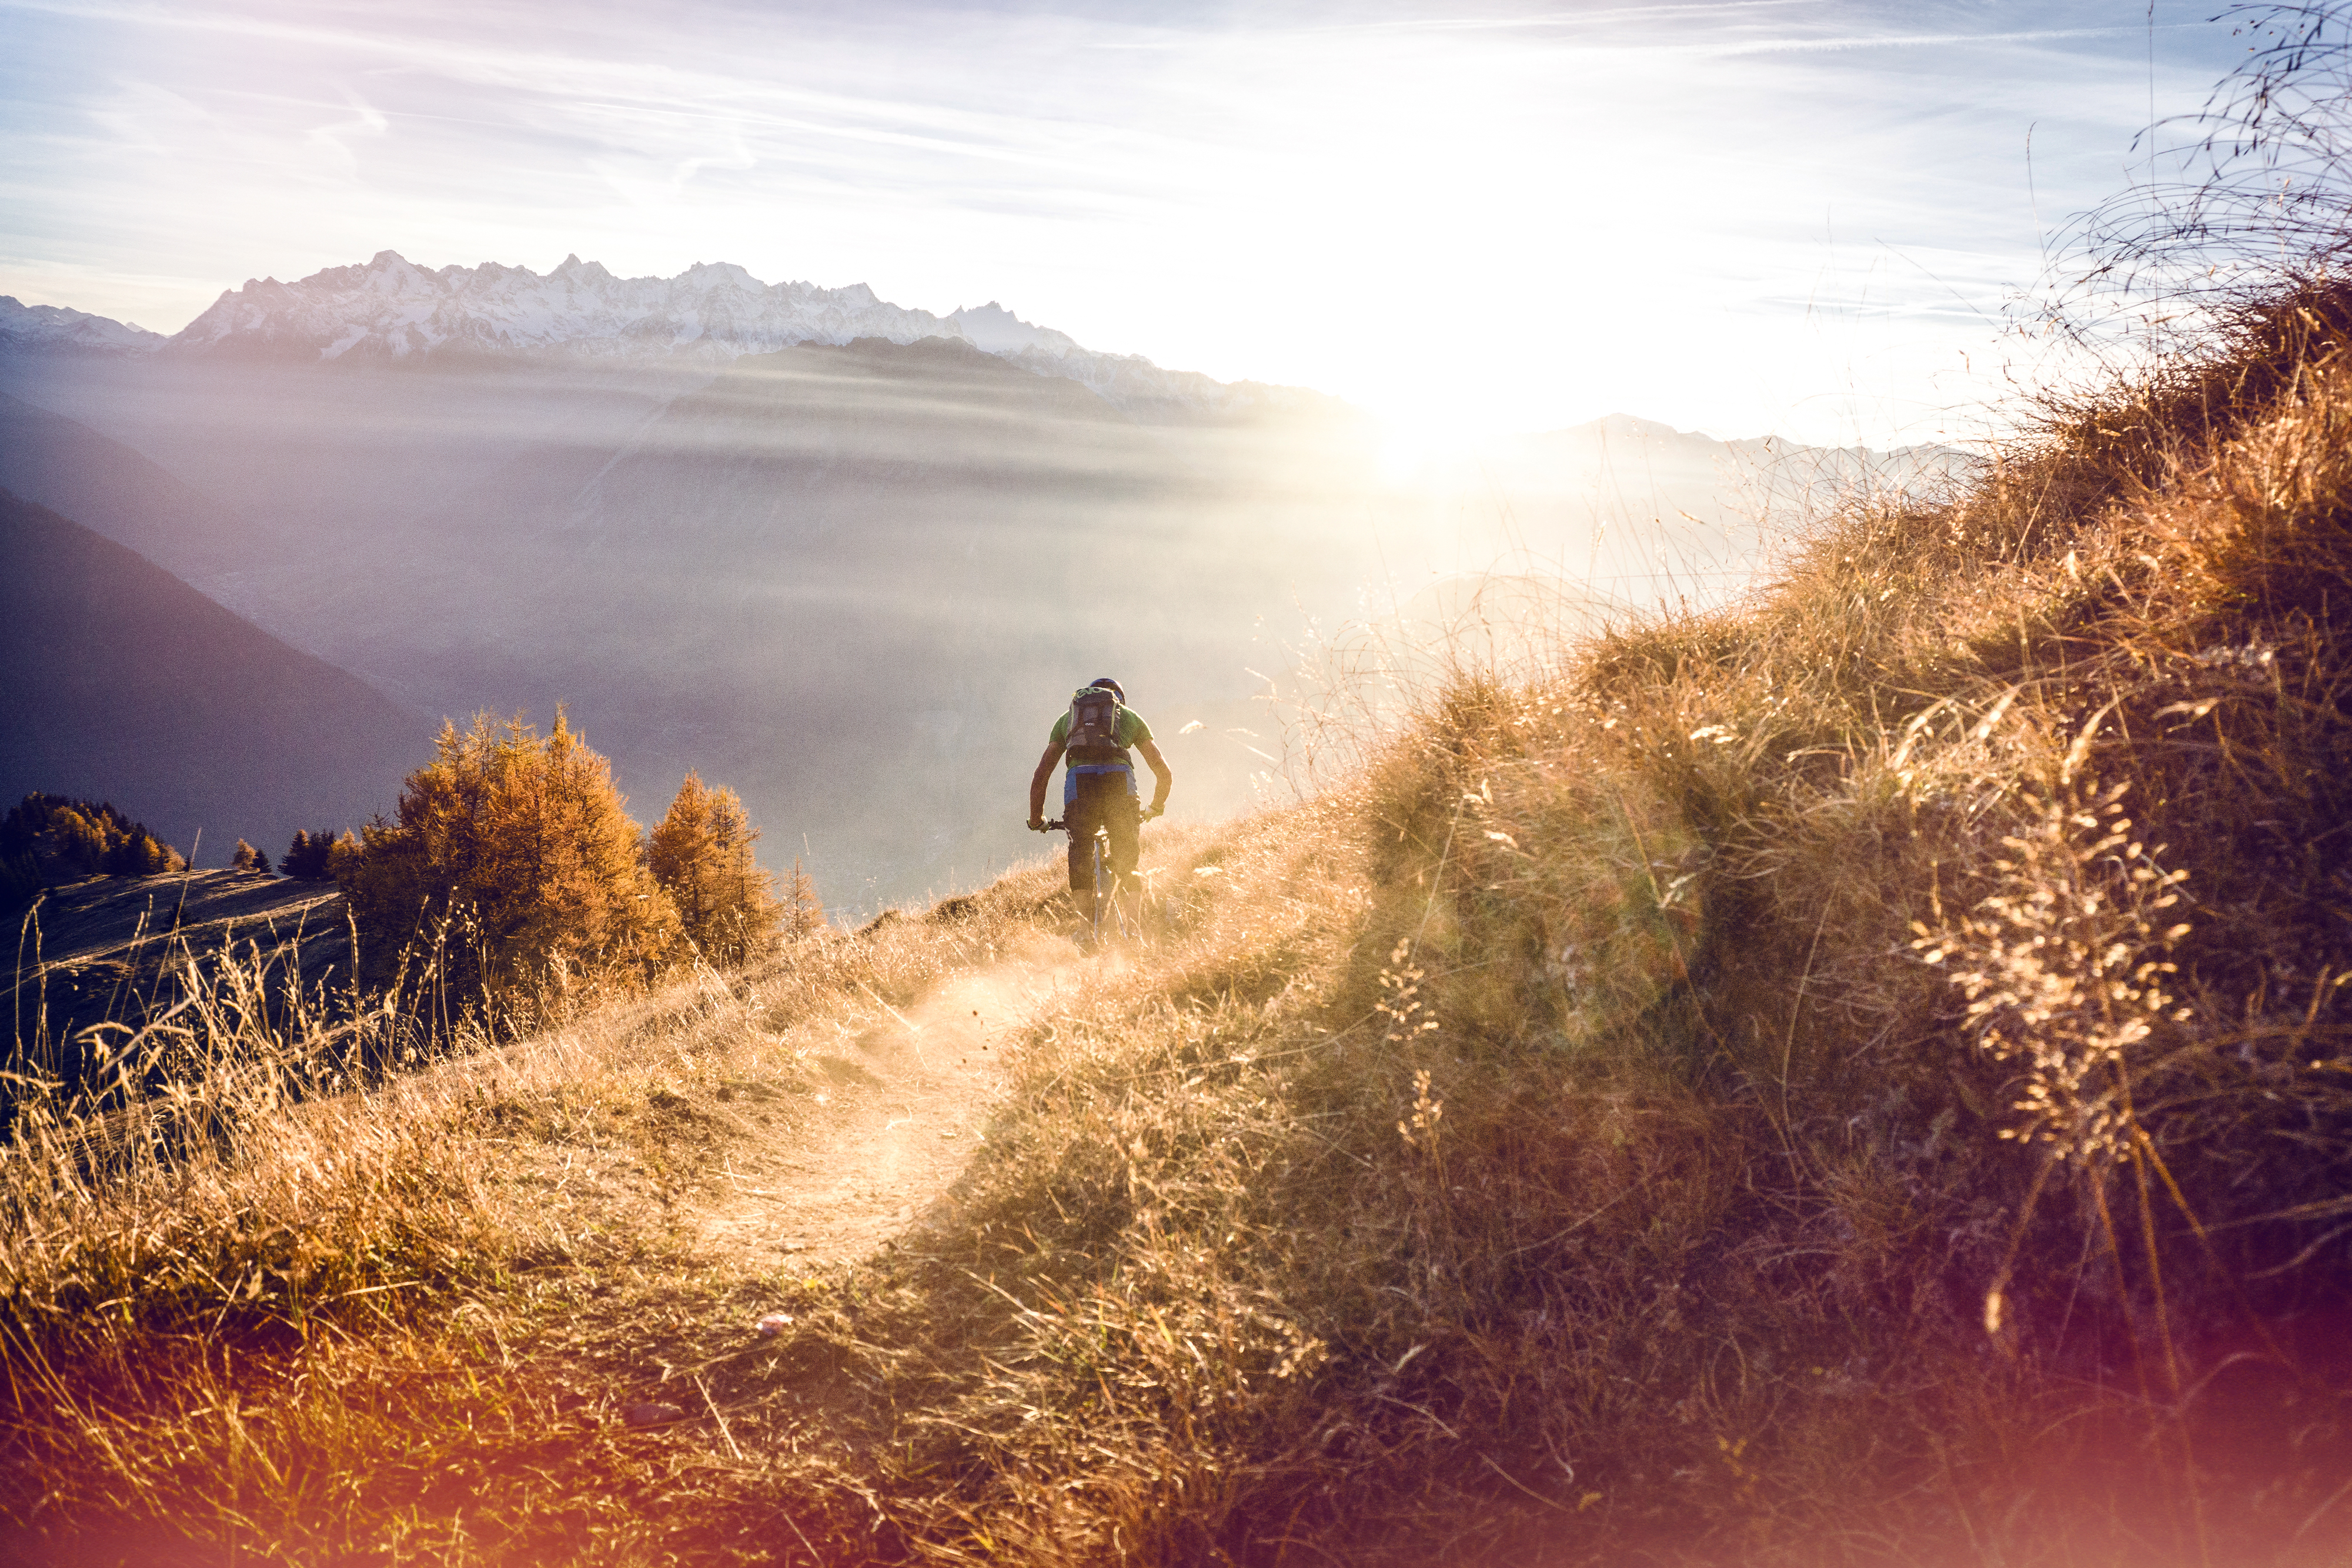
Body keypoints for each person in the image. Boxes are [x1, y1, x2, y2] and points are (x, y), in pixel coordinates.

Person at [1028, 677, 1172, 927]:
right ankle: (1134, 928)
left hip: (1080, 786)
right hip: (1119, 784)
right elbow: (1162, 770)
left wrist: (1036, 819)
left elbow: (1042, 774)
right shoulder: (1130, 717)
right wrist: (1156, 805)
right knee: (1127, 859)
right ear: (1118, 702)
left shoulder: (1067, 720)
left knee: (1080, 854)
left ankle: (1085, 930)